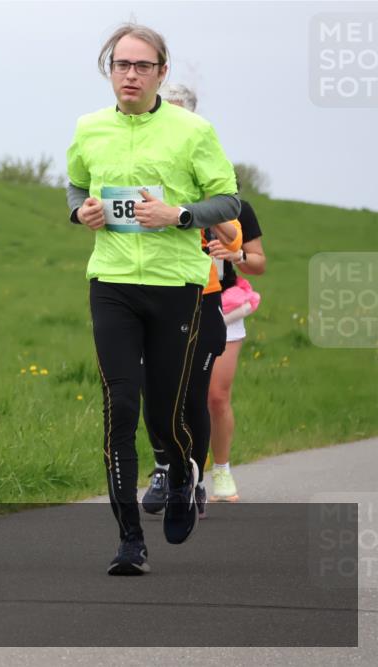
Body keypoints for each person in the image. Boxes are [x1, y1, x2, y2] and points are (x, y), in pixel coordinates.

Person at [66, 24, 240, 575]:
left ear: (162, 72)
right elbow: (75, 187)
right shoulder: (88, 128)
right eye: (121, 65)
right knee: (121, 407)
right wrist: (80, 212)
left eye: (142, 66)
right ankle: (129, 542)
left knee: (167, 410)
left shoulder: (193, 130)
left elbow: (229, 198)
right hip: (112, 283)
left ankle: (183, 472)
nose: (131, 75)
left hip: (177, 286)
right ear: (109, 71)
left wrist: (179, 216)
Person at [141, 84, 243, 520]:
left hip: (200, 297)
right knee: (151, 391)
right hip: (147, 290)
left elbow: (235, 236)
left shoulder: (206, 175)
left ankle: (197, 475)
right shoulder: (143, 171)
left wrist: (189, 211)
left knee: (197, 395)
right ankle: (165, 465)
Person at [208, 194, 266, 501]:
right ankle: (178, 474)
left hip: (225, 306)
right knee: (177, 398)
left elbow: (259, 263)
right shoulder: (171, 200)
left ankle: (221, 469)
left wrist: (236, 256)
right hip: (178, 303)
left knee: (217, 396)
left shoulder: (238, 209)